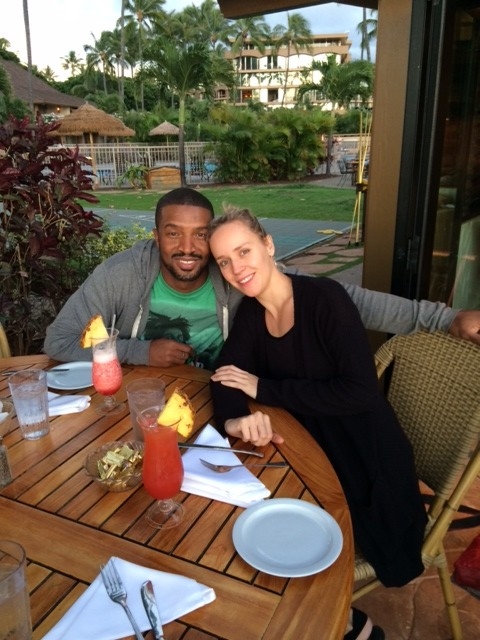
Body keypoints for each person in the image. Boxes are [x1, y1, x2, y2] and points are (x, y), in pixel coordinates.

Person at [208, 208, 428, 640]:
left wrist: (264, 388)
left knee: (281, 540)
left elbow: (360, 392)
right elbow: (226, 375)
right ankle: (337, 623)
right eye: (224, 261)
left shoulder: (324, 299)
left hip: (366, 465)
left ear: (268, 245)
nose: (237, 268)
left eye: (244, 251)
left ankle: (343, 625)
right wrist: (235, 419)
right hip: (309, 451)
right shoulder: (252, 313)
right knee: (247, 526)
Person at [44, 187, 480, 367]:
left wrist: (444, 318)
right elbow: (58, 341)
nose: (188, 247)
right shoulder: (121, 274)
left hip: (224, 400)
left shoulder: (236, 274)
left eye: (201, 235)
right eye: (173, 233)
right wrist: (140, 351)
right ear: (156, 237)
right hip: (141, 399)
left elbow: (344, 299)